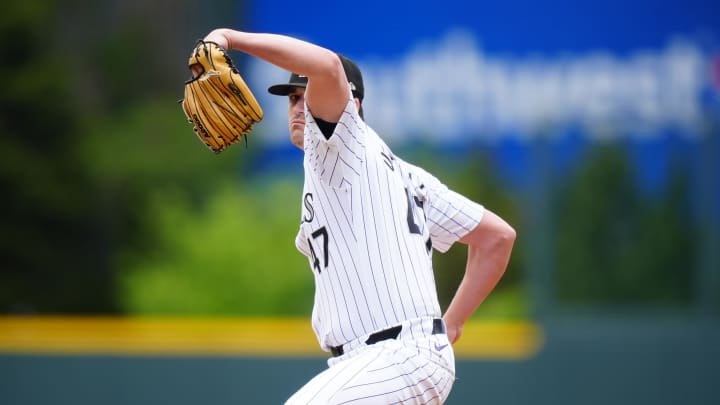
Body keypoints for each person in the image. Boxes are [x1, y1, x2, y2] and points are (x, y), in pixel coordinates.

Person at [200, 28, 516, 404]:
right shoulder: (404, 175)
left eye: (307, 96)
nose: (299, 108)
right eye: (292, 99)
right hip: (385, 362)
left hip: (394, 358)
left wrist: (229, 38)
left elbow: (328, 66)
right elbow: (497, 238)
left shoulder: (342, 143)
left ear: (353, 106)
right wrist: (452, 326)